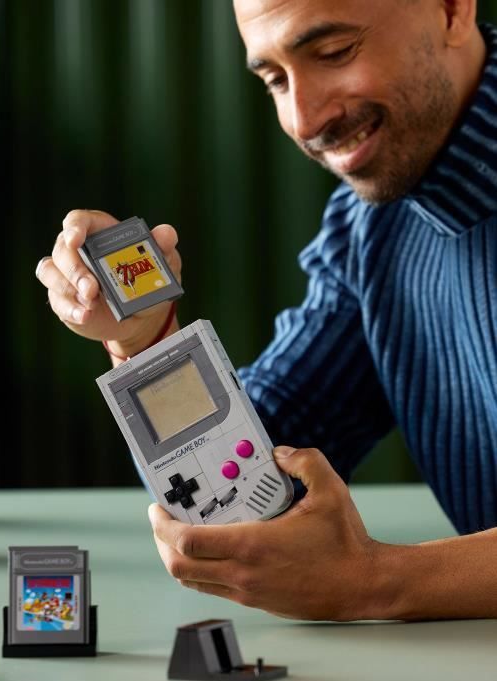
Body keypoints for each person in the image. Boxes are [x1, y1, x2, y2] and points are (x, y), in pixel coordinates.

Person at [36, 0, 497, 621]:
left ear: (452, 9)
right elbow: (252, 460)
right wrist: (147, 341)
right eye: (275, 79)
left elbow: (362, 577)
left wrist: (376, 581)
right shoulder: (369, 228)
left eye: (334, 52)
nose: (303, 119)